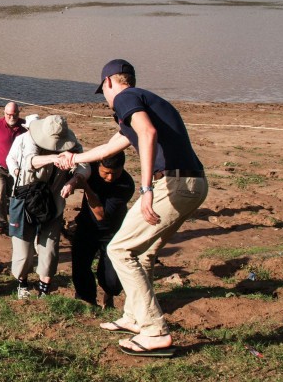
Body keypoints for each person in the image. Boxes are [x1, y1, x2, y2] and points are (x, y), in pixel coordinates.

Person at [57, 59, 208, 357]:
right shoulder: (143, 103)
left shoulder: (127, 97)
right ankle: (135, 317)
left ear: (110, 82)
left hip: (173, 184)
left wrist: (147, 188)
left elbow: (148, 134)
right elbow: (106, 149)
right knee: (144, 252)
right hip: (193, 184)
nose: (107, 102)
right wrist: (73, 159)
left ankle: (154, 331)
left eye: (104, 93)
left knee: (118, 250)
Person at [6, 114, 89, 299]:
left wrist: (74, 181)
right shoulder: (28, 138)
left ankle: (44, 289)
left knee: (50, 246)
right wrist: (54, 158)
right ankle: (23, 284)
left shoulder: (71, 142)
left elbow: (84, 163)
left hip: (54, 200)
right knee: (23, 248)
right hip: (26, 200)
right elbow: (29, 161)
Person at [69, 152, 134, 308]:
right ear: (99, 165)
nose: (110, 177)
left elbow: (100, 214)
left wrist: (86, 187)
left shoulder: (126, 185)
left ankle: (109, 294)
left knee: (112, 279)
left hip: (113, 232)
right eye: (106, 172)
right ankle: (87, 301)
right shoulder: (89, 170)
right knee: (80, 266)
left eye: (115, 173)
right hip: (86, 226)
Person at [0, 102, 26, 234]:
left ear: (18, 113)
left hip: (16, 169)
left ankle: (15, 220)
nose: (11, 117)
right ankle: (1, 221)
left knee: (14, 194)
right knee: (0, 190)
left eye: (14, 115)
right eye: (8, 114)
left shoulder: (25, 126)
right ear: (4, 113)